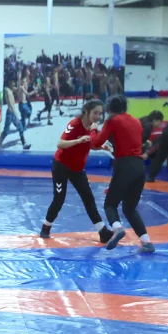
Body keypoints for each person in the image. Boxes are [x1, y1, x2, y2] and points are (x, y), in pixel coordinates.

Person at [41, 100, 113, 243]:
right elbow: (60, 144)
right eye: (95, 113)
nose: (98, 116)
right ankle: (46, 227)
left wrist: (101, 147)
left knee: (88, 198)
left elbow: (90, 144)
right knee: (59, 199)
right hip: (61, 166)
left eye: (100, 113)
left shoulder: (93, 128)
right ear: (87, 111)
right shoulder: (75, 124)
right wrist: (78, 140)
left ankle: (102, 231)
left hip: (78, 168)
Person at [90, 95, 153, 253]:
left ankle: (117, 228)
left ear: (109, 109)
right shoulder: (136, 121)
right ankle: (146, 242)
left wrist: (92, 128)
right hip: (139, 167)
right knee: (130, 208)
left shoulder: (112, 121)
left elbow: (95, 142)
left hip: (124, 165)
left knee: (110, 204)